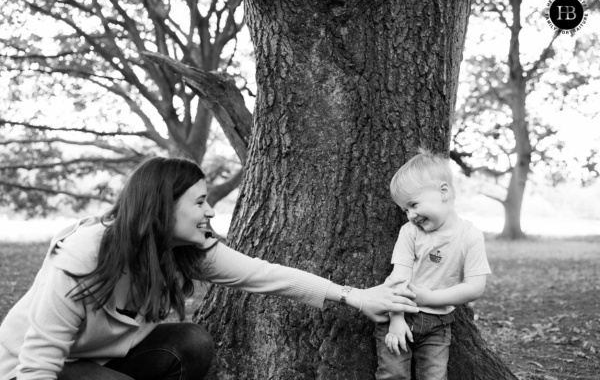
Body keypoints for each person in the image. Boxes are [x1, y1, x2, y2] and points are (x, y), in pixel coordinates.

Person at [0, 156, 418, 380]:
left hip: (105, 358)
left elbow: (266, 274)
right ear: (162, 207)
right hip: (33, 367)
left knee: (193, 342)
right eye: (199, 202)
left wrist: (357, 296)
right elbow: (38, 363)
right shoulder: (84, 255)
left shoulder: (188, 250)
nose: (211, 211)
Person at [375, 149, 491, 380]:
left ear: (444, 192)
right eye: (405, 210)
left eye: (414, 204)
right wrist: (396, 319)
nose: (410, 215)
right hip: (401, 316)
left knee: (435, 377)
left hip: (438, 324)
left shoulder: (470, 236)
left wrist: (431, 299)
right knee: (393, 374)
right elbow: (399, 278)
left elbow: (475, 287)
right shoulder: (410, 232)